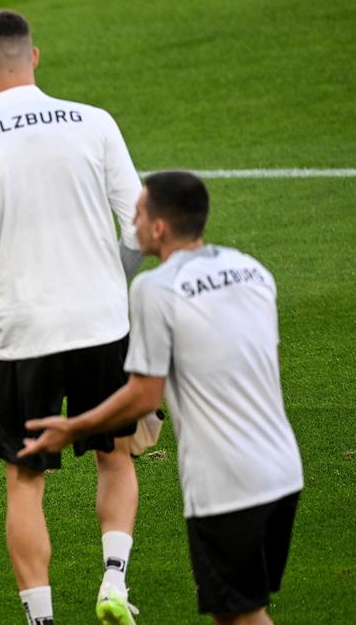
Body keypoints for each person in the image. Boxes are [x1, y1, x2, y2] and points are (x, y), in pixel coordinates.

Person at [0, 10, 145, 624]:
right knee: (115, 455)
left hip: (25, 335)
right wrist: (111, 287)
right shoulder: (94, 124)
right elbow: (140, 228)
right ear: (36, 57)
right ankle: (112, 582)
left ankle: (40, 618)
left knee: (25, 479)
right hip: (104, 326)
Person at [20, 171, 303, 625]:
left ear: (158, 228)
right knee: (250, 610)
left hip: (227, 484)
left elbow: (142, 395)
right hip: (283, 470)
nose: (131, 225)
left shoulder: (154, 289)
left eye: (137, 214)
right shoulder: (254, 271)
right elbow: (267, 360)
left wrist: (74, 428)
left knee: (241, 618)